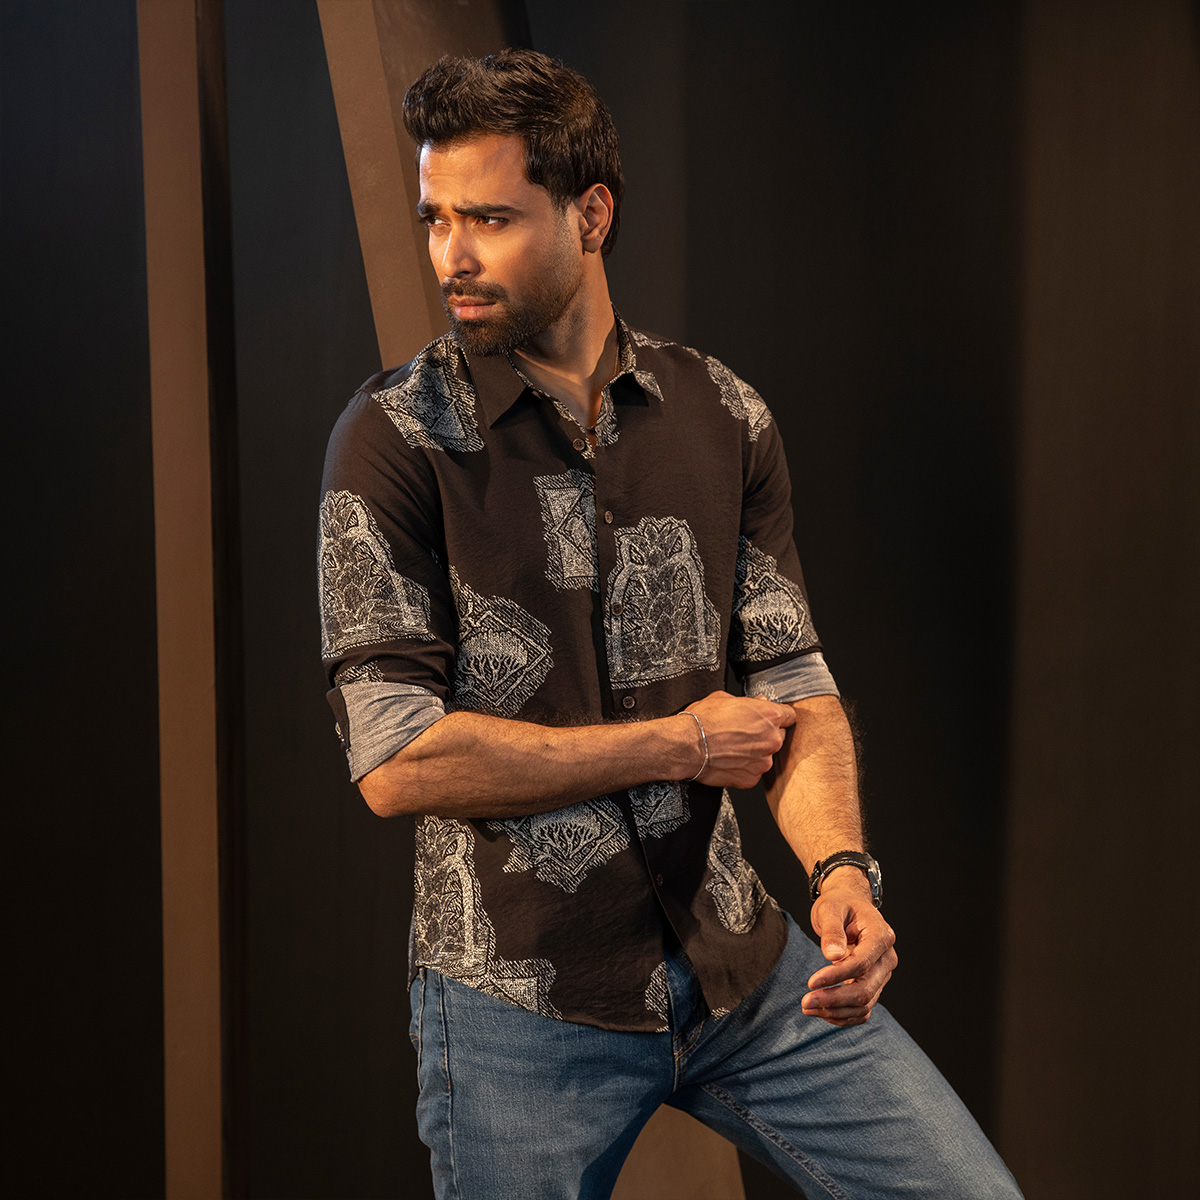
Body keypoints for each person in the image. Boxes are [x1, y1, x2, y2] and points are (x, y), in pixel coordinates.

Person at [319, 47, 1021, 1200]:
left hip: (743, 968)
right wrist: (681, 744)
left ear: (591, 213)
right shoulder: (393, 436)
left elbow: (792, 682)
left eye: (490, 218)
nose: (452, 254)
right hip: (520, 1008)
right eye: (437, 217)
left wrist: (842, 871)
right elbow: (396, 758)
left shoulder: (723, 412)